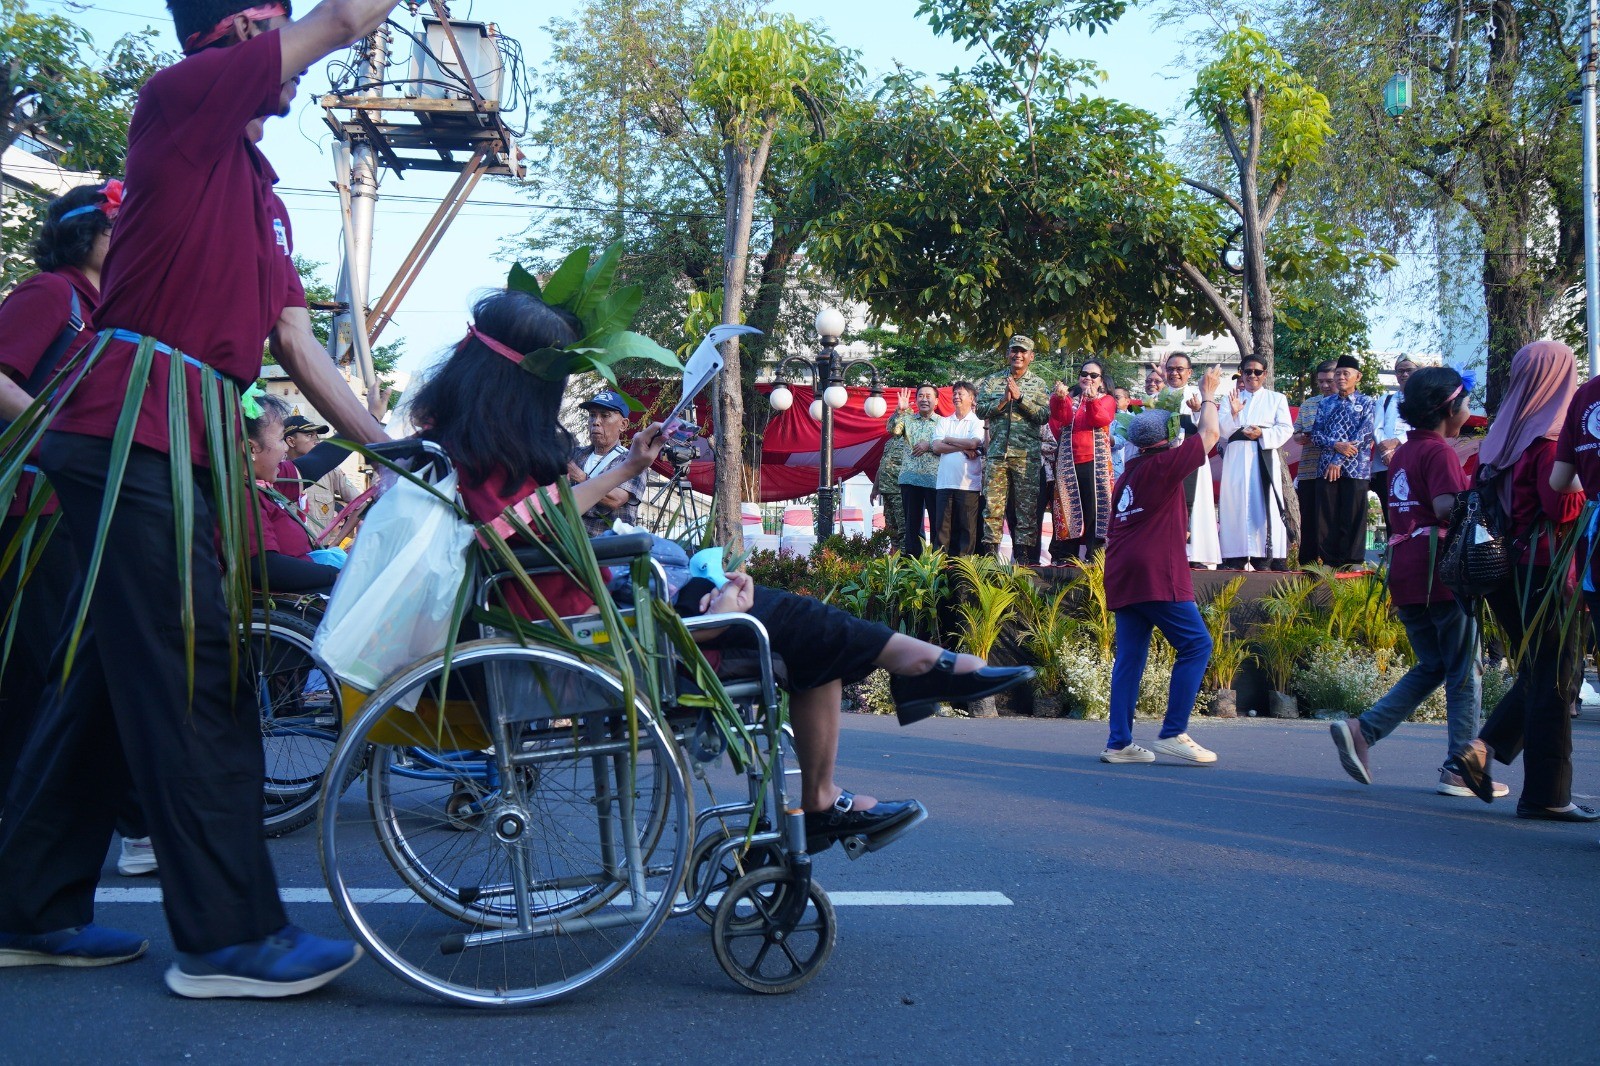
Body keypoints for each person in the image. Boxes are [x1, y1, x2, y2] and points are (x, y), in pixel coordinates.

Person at [0, 1, 400, 997]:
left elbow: (299, 346)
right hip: (132, 433)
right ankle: (228, 939)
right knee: (196, 675)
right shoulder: (183, 99)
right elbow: (348, 17)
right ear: (236, 33)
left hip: (175, 446)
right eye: (278, 33)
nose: (297, 67)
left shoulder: (262, 189)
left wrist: (396, 450)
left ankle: (27, 908)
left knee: (107, 683)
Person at [409, 288, 1034, 852]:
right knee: (797, 620)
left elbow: (529, 525)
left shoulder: (470, 441)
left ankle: (841, 770)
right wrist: (687, 599)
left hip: (598, 607)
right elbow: (503, 536)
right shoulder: (477, 455)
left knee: (796, 627)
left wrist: (633, 481)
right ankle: (923, 670)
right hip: (589, 632)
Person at [0, 182, 158, 877]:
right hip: (31, 512)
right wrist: (56, 441)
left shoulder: (107, 311)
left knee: (49, 676)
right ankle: (127, 824)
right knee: (56, 674)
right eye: (119, 225)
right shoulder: (48, 294)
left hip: (73, 509)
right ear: (85, 233)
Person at [1328, 367, 1498, 797]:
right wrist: (1479, 497)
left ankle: (1364, 730)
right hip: (1438, 571)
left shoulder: (1403, 452)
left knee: (1435, 664)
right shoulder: (1440, 453)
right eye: (1465, 401)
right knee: (1464, 669)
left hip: (1405, 569)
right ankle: (1459, 767)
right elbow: (1444, 507)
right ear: (1450, 408)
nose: (1469, 409)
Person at [1454, 341, 1594, 820]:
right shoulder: (1551, 438)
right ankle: (1547, 796)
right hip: (1545, 573)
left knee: (1539, 673)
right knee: (1556, 679)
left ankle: (1483, 746)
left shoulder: (1499, 437)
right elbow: (1562, 509)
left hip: (1499, 575)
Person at [1099, 365, 1226, 765]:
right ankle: (1173, 732)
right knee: (1197, 644)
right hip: (1155, 570)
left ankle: (1119, 742)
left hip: (1122, 571)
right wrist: (1207, 395)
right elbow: (1210, 435)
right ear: (1167, 439)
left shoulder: (1129, 473)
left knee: (1130, 658)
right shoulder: (1162, 464)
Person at [976, 336, 1050, 564]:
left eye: (1023, 352)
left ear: (1031, 356)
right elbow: (980, 410)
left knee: (1026, 510)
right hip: (998, 454)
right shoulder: (992, 381)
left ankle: (1024, 561)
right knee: (993, 507)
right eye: (1014, 351)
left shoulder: (1038, 384)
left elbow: (1044, 415)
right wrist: (1002, 400)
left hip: (1026, 456)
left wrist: (1020, 399)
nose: (1018, 355)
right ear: (1008, 354)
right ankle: (990, 560)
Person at [1217, 354, 1294, 570]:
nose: (1252, 375)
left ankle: (1266, 555)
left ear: (1265, 374)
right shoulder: (1229, 397)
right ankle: (1235, 555)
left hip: (1263, 454)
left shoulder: (1276, 398)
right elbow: (1223, 431)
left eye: (1257, 372)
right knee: (1235, 502)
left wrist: (1262, 434)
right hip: (1236, 457)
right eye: (1247, 371)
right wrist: (1232, 414)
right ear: (1241, 373)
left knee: (1265, 501)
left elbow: (1286, 428)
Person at [1309, 355, 1377, 570]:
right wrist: (1336, 445)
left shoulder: (1367, 403)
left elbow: (1365, 435)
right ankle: (1330, 560)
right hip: (1326, 467)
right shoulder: (1326, 403)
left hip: (1356, 468)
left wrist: (1338, 459)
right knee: (1327, 515)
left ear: (1358, 377)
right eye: (1337, 373)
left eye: (1345, 373)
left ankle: (1353, 560)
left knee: (1354, 513)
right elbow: (1316, 435)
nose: (1340, 378)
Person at [1159, 352, 1222, 570]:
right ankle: (1168, 551)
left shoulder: (1200, 394)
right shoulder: (1158, 396)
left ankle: (1195, 553)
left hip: (1192, 458)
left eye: (1179, 369)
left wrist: (1198, 411)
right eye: (1170, 369)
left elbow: (1212, 427)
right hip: (1165, 459)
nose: (1174, 373)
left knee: (1194, 504)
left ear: (1189, 372)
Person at [1052, 360, 1117, 562]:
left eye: (1093, 375)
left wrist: (1091, 401)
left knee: (1095, 508)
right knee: (1067, 506)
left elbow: (1099, 420)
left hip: (1094, 463)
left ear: (1100, 380)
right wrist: (1060, 399)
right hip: (1068, 462)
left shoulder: (1106, 400)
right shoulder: (1071, 400)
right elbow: (1060, 418)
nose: (1087, 377)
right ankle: (1065, 555)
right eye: (1084, 373)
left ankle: (1094, 556)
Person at [566, 389, 647, 536]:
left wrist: (581, 477)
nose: (596, 422)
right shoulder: (575, 454)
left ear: (623, 424)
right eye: (592, 415)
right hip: (570, 542)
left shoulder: (632, 461)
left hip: (608, 549)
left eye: (605, 416)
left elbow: (615, 499)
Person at [931, 381, 984, 556]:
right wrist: (963, 447)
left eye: (961, 393)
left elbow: (974, 443)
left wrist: (948, 439)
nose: (956, 396)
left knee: (966, 531)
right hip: (944, 484)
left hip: (968, 484)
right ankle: (939, 570)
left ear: (972, 398)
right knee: (942, 530)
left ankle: (963, 572)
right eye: (954, 393)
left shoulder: (977, 422)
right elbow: (937, 447)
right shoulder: (945, 422)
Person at [282, 412, 360, 533]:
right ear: (291, 441)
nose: (316, 440)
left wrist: (336, 542)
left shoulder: (331, 472)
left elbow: (360, 504)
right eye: (309, 435)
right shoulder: (276, 473)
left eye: (316, 435)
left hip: (318, 549)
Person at [1292, 361, 1337, 564]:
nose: (1325, 386)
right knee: (1308, 520)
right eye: (1321, 382)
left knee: (1331, 521)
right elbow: (1296, 433)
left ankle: (1332, 564)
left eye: (1330, 381)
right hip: (1309, 470)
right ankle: (1307, 567)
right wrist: (1301, 436)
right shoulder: (1309, 403)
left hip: (1334, 471)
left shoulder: (1348, 404)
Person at [1370, 356, 1417, 538]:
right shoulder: (1385, 399)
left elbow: (1421, 427)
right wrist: (1387, 450)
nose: (1404, 374)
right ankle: (1392, 560)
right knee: (1390, 512)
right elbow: (1377, 427)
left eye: (1409, 370)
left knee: (1410, 510)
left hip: (1410, 463)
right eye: (1400, 371)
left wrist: (1396, 443)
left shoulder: (1423, 398)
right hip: (1385, 464)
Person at [897, 384, 942, 556]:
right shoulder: (907, 420)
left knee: (937, 523)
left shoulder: (943, 422)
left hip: (935, 480)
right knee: (912, 525)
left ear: (936, 401)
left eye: (928, 396)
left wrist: (929, 446)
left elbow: (946, 446)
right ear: (915, 400)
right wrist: (900, 411)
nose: (924, 399)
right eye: (921, 396)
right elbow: (893, 430)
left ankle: (938, 563)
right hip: (910, 479)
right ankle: (912, 563)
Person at [871, 388, 913, 550]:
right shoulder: (890, 442)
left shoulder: (910, 440)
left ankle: (905, 564)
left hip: (900, 490)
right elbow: (882, 466)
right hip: (886, 490)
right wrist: (875, 488)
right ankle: (895, 563)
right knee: (891, 530)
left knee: (903, 529)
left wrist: (903, 411)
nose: (896, 424)